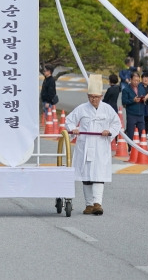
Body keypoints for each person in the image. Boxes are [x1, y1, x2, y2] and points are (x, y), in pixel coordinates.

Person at [65, 74, 121, 215]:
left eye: (96, 97)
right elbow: (69, 120)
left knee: (98, 174)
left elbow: (117, 123)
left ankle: (98, 203)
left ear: (101, 96)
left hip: (100, 145)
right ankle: (89, 204)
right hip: (85, 145)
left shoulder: (107, 109)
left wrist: (109, 132)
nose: (93, 100)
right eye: (90, 97)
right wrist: (74, 130)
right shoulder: (82, 108)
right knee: (86, 176)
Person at [122, 72, 148, 149]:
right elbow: (124, 101)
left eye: (138, 80)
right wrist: (133, 100)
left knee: (142, 131)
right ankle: (130, 148)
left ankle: (142, 148)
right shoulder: (126, 89)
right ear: (130, 80)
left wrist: (144, 99)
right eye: (134, 80)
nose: (136, 82)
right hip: (131, 113)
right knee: (130, 132)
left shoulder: (141, 88)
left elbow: (144, 96)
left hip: (141, 113)